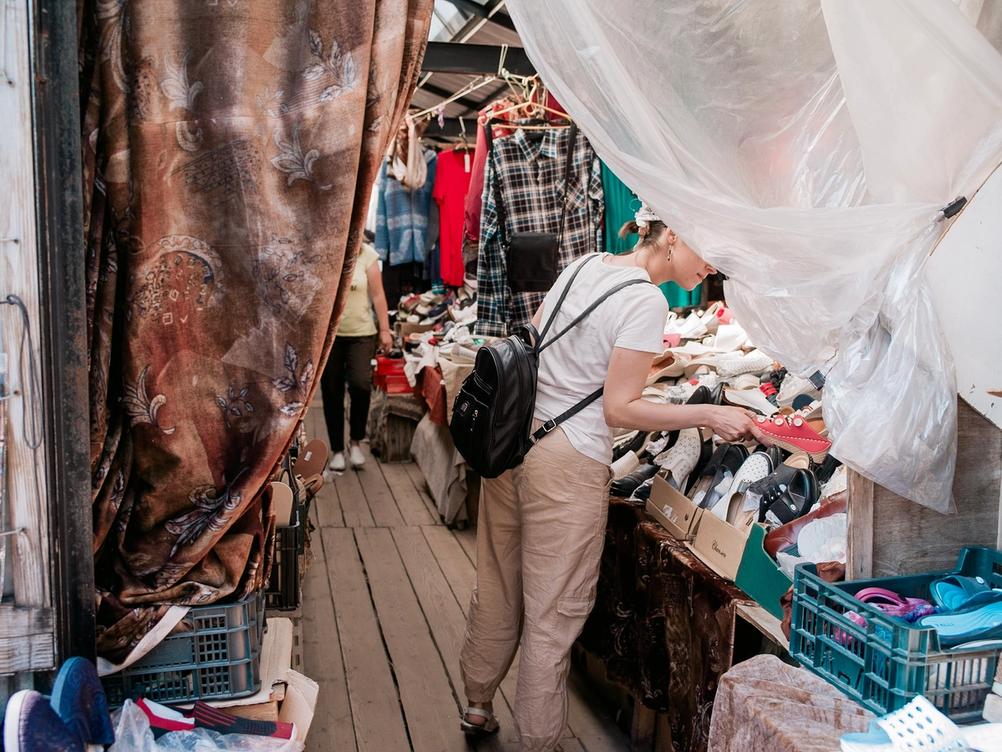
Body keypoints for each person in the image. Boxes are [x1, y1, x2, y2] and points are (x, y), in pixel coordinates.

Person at [458, 204, 764, 751]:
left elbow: (549, 360)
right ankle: (539, 741)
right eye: (708, 255)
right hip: (568, 464)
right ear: (672, 234)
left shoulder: (585, 264)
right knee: (553, 614)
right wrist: (707, 414)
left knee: (499, 582)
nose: (710, 271)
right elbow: (620, 410)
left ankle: (477, 702)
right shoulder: (647, 299)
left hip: (513, 445)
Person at [320, 240, 393, 472]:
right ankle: (337, 450)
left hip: (362, 334)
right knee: (332, 391)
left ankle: (355, 442)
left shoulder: (368, 256)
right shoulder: (328, 253)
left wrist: (385, 329)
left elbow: (379, 295)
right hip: (330, 337)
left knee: (361, 385)